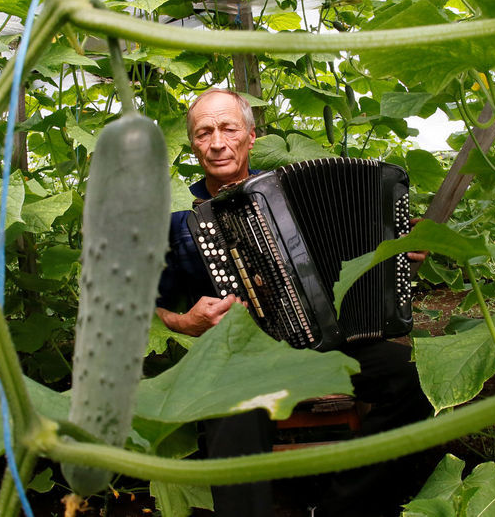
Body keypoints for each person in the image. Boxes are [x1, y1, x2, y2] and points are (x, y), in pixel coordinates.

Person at [155, 88, 433, 517]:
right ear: (192, 144)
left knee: (418, 383)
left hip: (332, 340)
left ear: (250, 136)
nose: (216, 142)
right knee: (229, 406)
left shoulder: (281, 190)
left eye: (228, 128)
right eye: (203, 132)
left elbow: (365, 246)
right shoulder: (179, 219)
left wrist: (400, 246)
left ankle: (342, 507)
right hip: (239, 355)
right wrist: (184, 320)